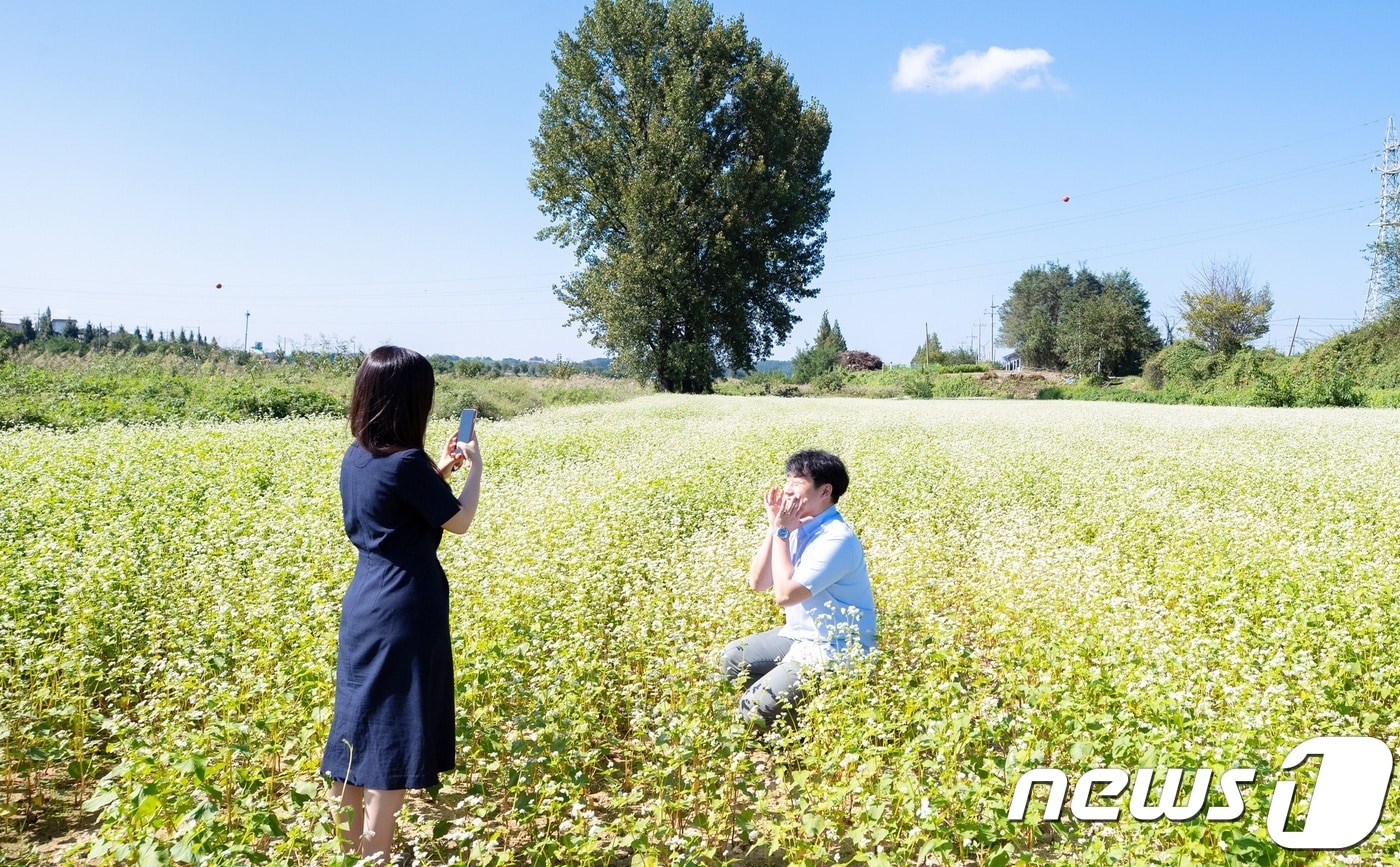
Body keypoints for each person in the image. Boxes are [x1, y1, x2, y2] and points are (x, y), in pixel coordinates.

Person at [319, 345, 483, 862]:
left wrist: (439, 470)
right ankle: (377, 854)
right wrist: (474, 468)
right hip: (405, 607)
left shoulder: (359, 455)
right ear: (413, 401)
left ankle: (347, 851)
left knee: (354, 728)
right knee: (389, 737)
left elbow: (394, 505)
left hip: (365, 602)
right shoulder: (406, 461)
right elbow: (457, 522)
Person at [719, 450, 877, 725]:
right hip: (800, 635)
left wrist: (782, 532)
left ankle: (801, 726)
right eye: (787, 481)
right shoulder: (798, 526)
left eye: (797, 482)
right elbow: (758, 583)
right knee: (733, 657)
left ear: (825, 490)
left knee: (751, 706)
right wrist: (774, 527)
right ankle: (782, 708)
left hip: (836, 645)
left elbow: (785, 595)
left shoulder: (836, 538)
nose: (787, 490)